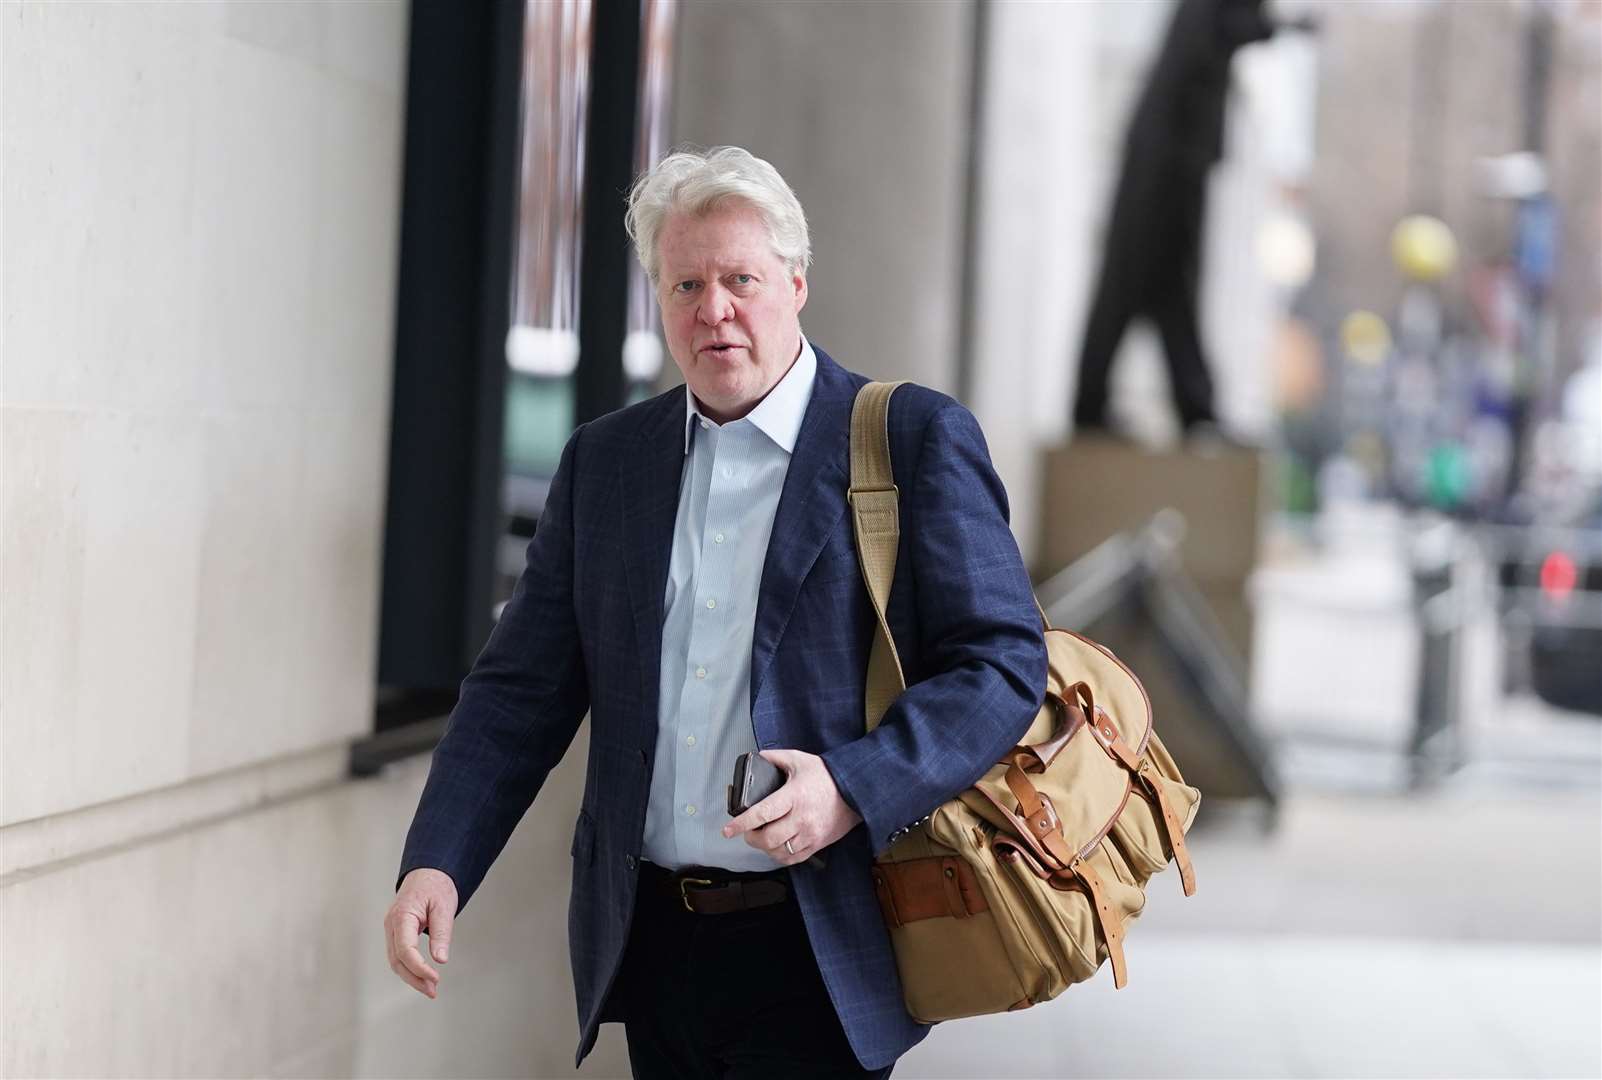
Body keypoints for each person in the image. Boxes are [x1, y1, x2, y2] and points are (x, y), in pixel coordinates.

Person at [383, 145, 1047, 1078]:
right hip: (649, 944)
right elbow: (518, 689)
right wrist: (439, 860)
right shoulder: (605, 464)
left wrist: (852, 788)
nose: (714, 310)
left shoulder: (910, 438)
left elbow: (1003, 665)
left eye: (741, 278)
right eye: (685, 283)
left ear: (796, 283)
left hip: (818, 943)